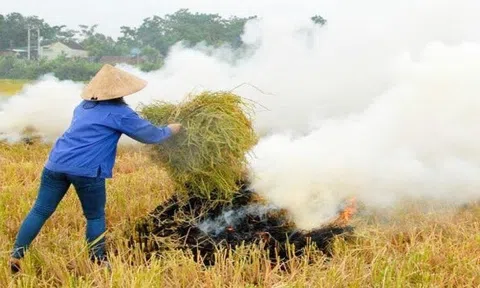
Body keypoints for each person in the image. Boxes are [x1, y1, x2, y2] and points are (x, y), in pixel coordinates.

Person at [8, 64, 182, 273]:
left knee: (40, 210)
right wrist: (172, 129)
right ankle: (98, 262)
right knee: (95, 216)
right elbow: (152, 136)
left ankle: (16, 255)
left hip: (55, 163)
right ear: (122, 92)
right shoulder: (121, 112)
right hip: (87, 170)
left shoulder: (83, 106)